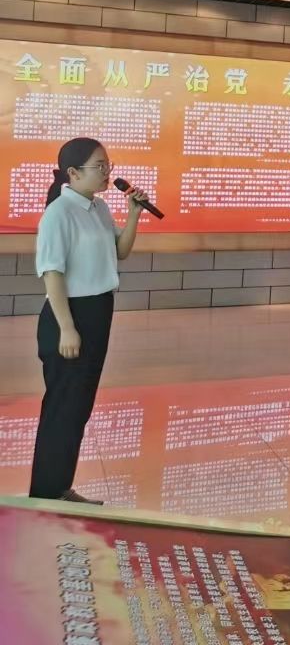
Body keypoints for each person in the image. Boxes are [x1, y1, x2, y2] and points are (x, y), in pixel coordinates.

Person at [29, 138, 148, 502]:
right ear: (73, 173)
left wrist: (134, 214)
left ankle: (60, 489)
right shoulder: (59, 213)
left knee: (78, 408)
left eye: (108, 166)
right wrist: (67, 328)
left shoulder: (98, 207)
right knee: (63, 409)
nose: (107, 173)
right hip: (70, 316)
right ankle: (46, 495)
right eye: (99, 167)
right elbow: (52, 273)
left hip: (98, 312)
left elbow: (120, 251)